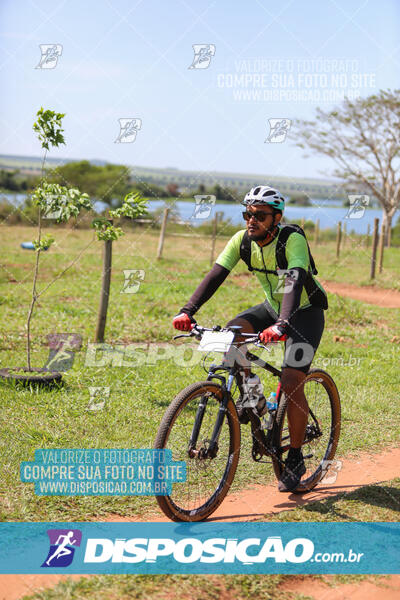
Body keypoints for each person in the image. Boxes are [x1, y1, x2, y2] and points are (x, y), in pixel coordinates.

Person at [173, 185, 328, 492]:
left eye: (260, 215)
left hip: (305, 312)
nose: (251, 220)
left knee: (292, 377)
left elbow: (293, 283)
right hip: (273, 307)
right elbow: (216, 274)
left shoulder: (291, 239)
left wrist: (282, 325)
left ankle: (295, 457)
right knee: (231, 338)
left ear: (277, 218)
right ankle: (255, 401)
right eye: (247, 214)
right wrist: (187, 311)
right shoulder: (242, 241)